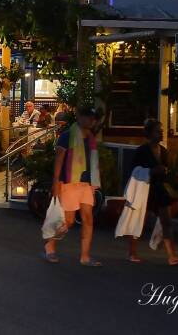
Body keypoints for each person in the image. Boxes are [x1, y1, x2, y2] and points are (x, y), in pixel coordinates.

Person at [43, 106, 102, 266]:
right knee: (67, 221)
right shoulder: (67, 136)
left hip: (85, 183)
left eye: (92, 118)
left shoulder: (91, 138)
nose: (90, 121)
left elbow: (93, 162)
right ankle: (50, 245)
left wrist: (94, 184)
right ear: (79, 118)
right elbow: (59, 160)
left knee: (88, 219)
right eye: (87, 117)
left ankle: (85, 256)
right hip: (69, 182)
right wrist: (56, 182)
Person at [126, 119, 178, 266]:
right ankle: (132, 253)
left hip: (159, 189)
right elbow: (134, 171)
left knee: (166, 221)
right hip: (145, 189)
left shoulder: (163, 151)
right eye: (158, 131)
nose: (161, 133)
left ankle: (172, 256)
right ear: (149, 133)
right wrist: (151, 171)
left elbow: (167, 171)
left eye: (161, 130)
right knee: (140, 221)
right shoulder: (141, 151)